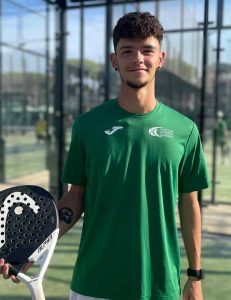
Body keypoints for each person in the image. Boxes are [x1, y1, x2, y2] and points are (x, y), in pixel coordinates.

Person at [0, 12, 209, 300]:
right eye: (127, 51)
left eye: (147, 50)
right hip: (93, 286)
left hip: (160, 288)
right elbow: (76, 197)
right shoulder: (88, 126)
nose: (138, 58)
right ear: (115, 61)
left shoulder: (185, 130)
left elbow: (190, 204)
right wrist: (32, 248)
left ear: (160, 58)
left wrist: (195, 276)